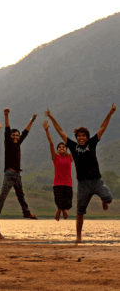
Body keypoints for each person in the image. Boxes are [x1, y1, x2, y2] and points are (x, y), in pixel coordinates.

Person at [45, 104, 116, 243]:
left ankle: (103, 200)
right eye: (79, 136)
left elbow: (102, 127)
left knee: (109, 198)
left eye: (83, 136)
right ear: (76, 137)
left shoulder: (92, 143)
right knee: (80, 212)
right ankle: (78, 237)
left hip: (96, 180)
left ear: (87, 138)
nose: (81, 138)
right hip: (82, 184)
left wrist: (110, 113)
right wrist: (52, 117)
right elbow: (60, 131)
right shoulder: (72, 146)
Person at [0, 108, 37, 220]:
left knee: (21, 196)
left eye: (17, 135)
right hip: (9, 174)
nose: (15, 137)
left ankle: (26, 213)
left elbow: (25, 132)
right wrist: (6, 115)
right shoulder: (8, 143)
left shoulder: (18, 144)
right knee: (3, 196)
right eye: (13, 135)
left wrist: (32, 121)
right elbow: (7, 129)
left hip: (17, 175)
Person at [43, 119, 73, 221]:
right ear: (57, 150)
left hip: (68, 184)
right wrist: (47, 131)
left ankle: (62, 209)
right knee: (59, 201)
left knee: (68, 204)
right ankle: (60, 209)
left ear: (66, 149)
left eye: (63, 147)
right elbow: (51, 143)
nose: (61, 148)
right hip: (58, 184)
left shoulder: (70, 157)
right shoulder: (56, 158)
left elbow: (72, 145)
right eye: (59, 147)